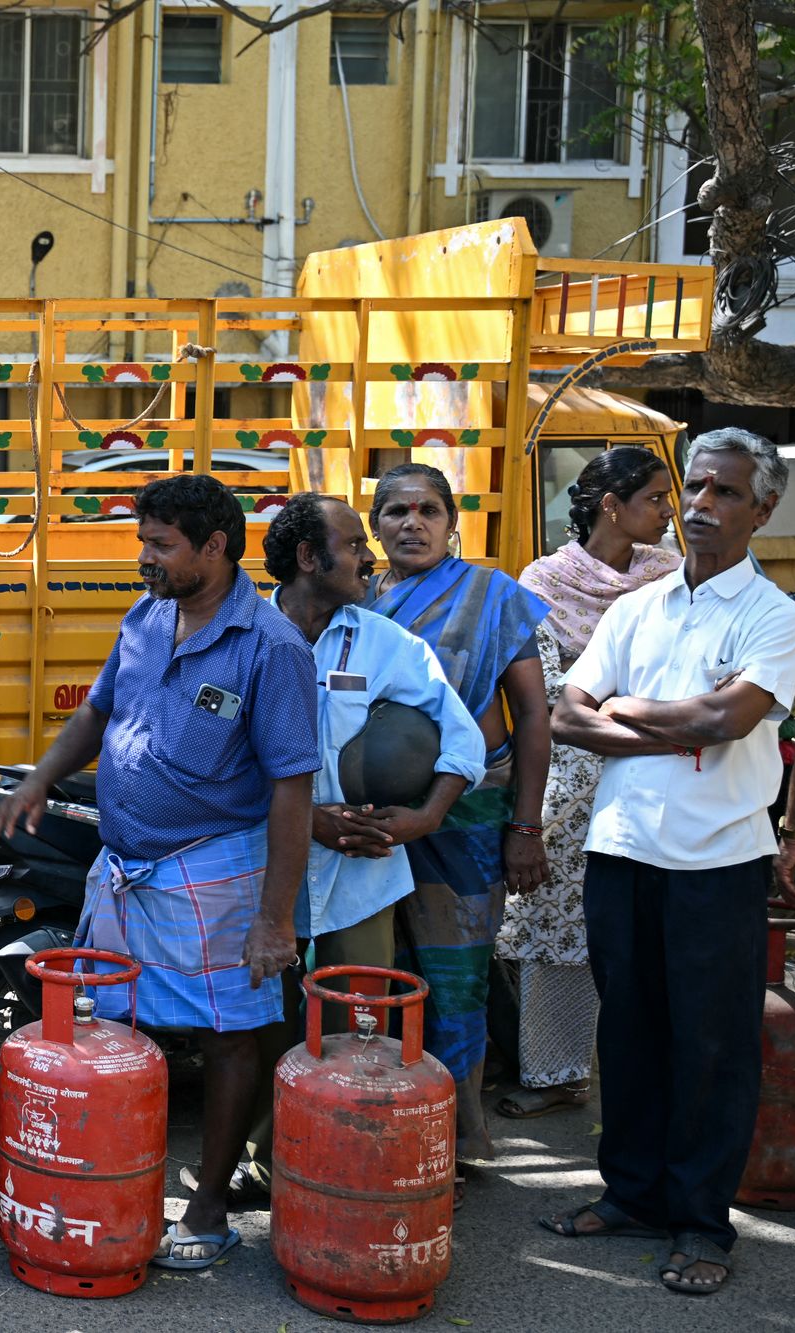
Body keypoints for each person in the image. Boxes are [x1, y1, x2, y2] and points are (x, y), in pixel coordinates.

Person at [0, 474, 317, 1269]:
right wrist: (36, 780)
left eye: (161, 545)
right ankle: (113, 1182)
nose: (146, 557)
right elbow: (97, 711)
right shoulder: (145, 616)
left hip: (219, 871)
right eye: (144, 540)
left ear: (215, 547)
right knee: (111, 1026)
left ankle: (207, 1210)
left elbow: (293, 789)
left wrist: (275, 917)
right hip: (127, 869)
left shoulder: (271, 647)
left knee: (232, 1036)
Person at [540, 428, 795, 1297]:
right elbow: (567, 716)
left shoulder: (773, 615)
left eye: (726, 492)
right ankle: (632, 1195)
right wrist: (667, 719)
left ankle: (700, 1220)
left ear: (763, 509)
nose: (700, 505)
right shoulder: (638, 607)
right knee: (631, 1032)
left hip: (718, 861)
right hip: (621, 850)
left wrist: (632, 710)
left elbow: (725, 722)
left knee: (712, 1046)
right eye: (694, 487)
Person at [220, 493, 486, 1203]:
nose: (370, 556)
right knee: (264, 1022)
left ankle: (337, 1160)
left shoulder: (381, 641)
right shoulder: (239, 633)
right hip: (256, 868)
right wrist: (311, 821)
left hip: (361, 871)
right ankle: (265, 1163)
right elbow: (217, 760)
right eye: (354, 543)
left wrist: (425, 817)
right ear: (310, 557)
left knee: (357, 1021)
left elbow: (463, 736)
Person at [366, 463, 551, 1185]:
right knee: (375, 972)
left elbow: (533, 715)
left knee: (457, 975)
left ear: (452, 524)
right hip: (370, 819)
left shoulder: (492, 597)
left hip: (468, 814)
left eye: (428, 510)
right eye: (397, 511)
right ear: (375, 525)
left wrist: (526, 827)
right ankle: (381, 1123)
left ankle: (460, 1135)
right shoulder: (357, 600)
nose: (412, 522)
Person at [498, 449, 679, 1119]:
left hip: (659, 765)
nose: (670, 512)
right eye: (657, 499)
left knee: (654, 917)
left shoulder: (671, 575)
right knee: (557, 919)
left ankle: (651, 1061)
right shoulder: (545, 580)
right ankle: (557, 1071)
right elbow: (544, 697)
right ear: (612, 505)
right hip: (572, 769)